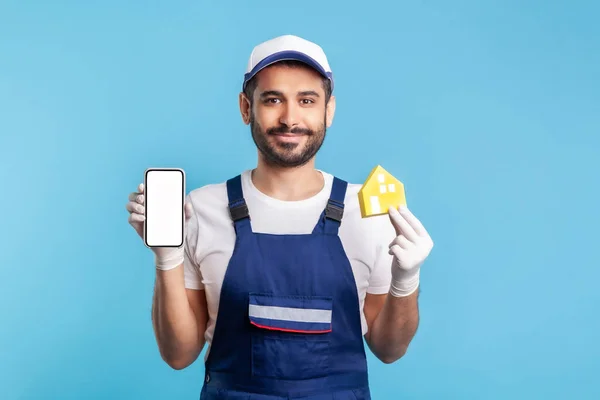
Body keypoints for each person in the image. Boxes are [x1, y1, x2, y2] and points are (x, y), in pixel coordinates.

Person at [126, 34, 434, 399]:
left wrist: (406, 278)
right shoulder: (202, 209)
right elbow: (178, 356)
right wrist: (168, 256)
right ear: (245, 108)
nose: (290, 118)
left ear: (328, 110)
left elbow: (389, 349)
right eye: (273, 100)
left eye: (307, 100)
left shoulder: (368, 213)